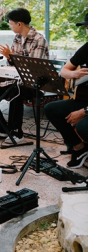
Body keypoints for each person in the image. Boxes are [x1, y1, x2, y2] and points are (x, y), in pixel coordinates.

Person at [0, 8, 49, 144]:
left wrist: (11, 55)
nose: (10, 26)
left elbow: (33, 67)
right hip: (16, 82)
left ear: (19, 24)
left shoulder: (39, 40)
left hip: (34, 84)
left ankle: (16, 133)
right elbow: (13, 64)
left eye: (11, 23)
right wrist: (9, 57)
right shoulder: (17, 38)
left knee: (16, 91)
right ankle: (1, 128)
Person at [44, 12, 88, 168]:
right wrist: (74, 74)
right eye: (86, 27)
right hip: (83, 100)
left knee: (83, 126)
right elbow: (64, 71)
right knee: (51, 109)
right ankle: (79, 148)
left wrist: (84, 111)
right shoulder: (86, 48)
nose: (87, 30)